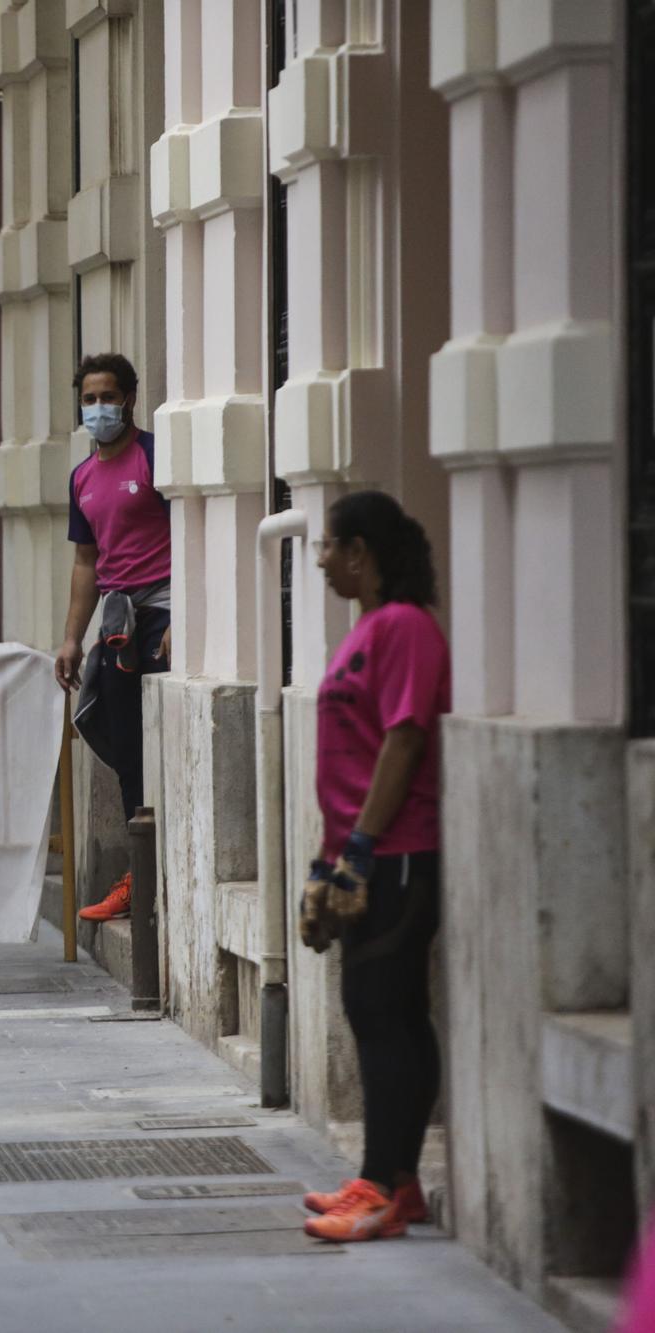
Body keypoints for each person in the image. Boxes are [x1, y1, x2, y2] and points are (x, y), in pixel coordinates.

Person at [297, 490, 449, 1243]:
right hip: (364, 856)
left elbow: (404, 739)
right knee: (389, 1012)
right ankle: (401, 1182)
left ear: (361, 552)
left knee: (380, 1011)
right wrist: (331, 860)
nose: (319, 557)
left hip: (397, 855)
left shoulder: (407, 630)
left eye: (328, 544)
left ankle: (381, 1188)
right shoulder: (367, 631)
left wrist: (361, 847)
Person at [53, 352, 171, 922]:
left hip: (164, 610)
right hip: (117, 620)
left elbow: (194, 534)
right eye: (90, 398)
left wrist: (185, 620)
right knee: (122, 744)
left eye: (109, 397)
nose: (100, 408)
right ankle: (141, 875)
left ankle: (165, 870)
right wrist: (72, 639)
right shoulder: (81, 477)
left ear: (130, 398)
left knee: (159, 743)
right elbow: (85, 563)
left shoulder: (155, 455)